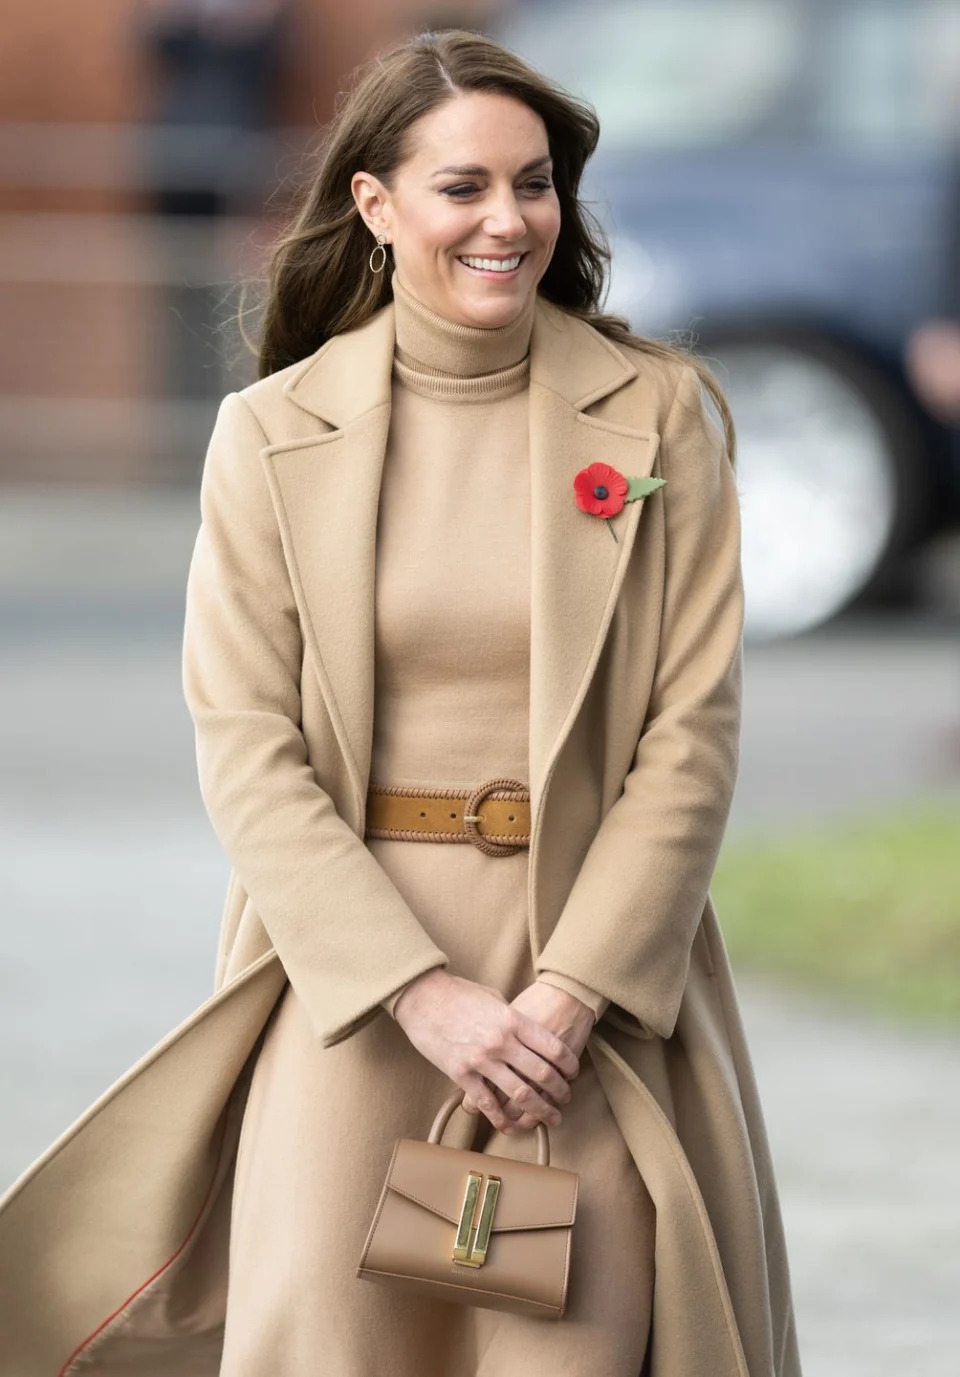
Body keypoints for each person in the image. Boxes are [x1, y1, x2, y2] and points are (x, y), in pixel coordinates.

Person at [0, 28, 802, 1377]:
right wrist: (419, 994)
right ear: (375, 204)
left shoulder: (661, 416)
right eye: (464, 186)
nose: (508, 219)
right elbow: (247, 748)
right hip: (352, 996)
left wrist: (565, 998)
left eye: (534, 183)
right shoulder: (269, 434)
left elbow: (691, 735)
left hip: (588, 1000)